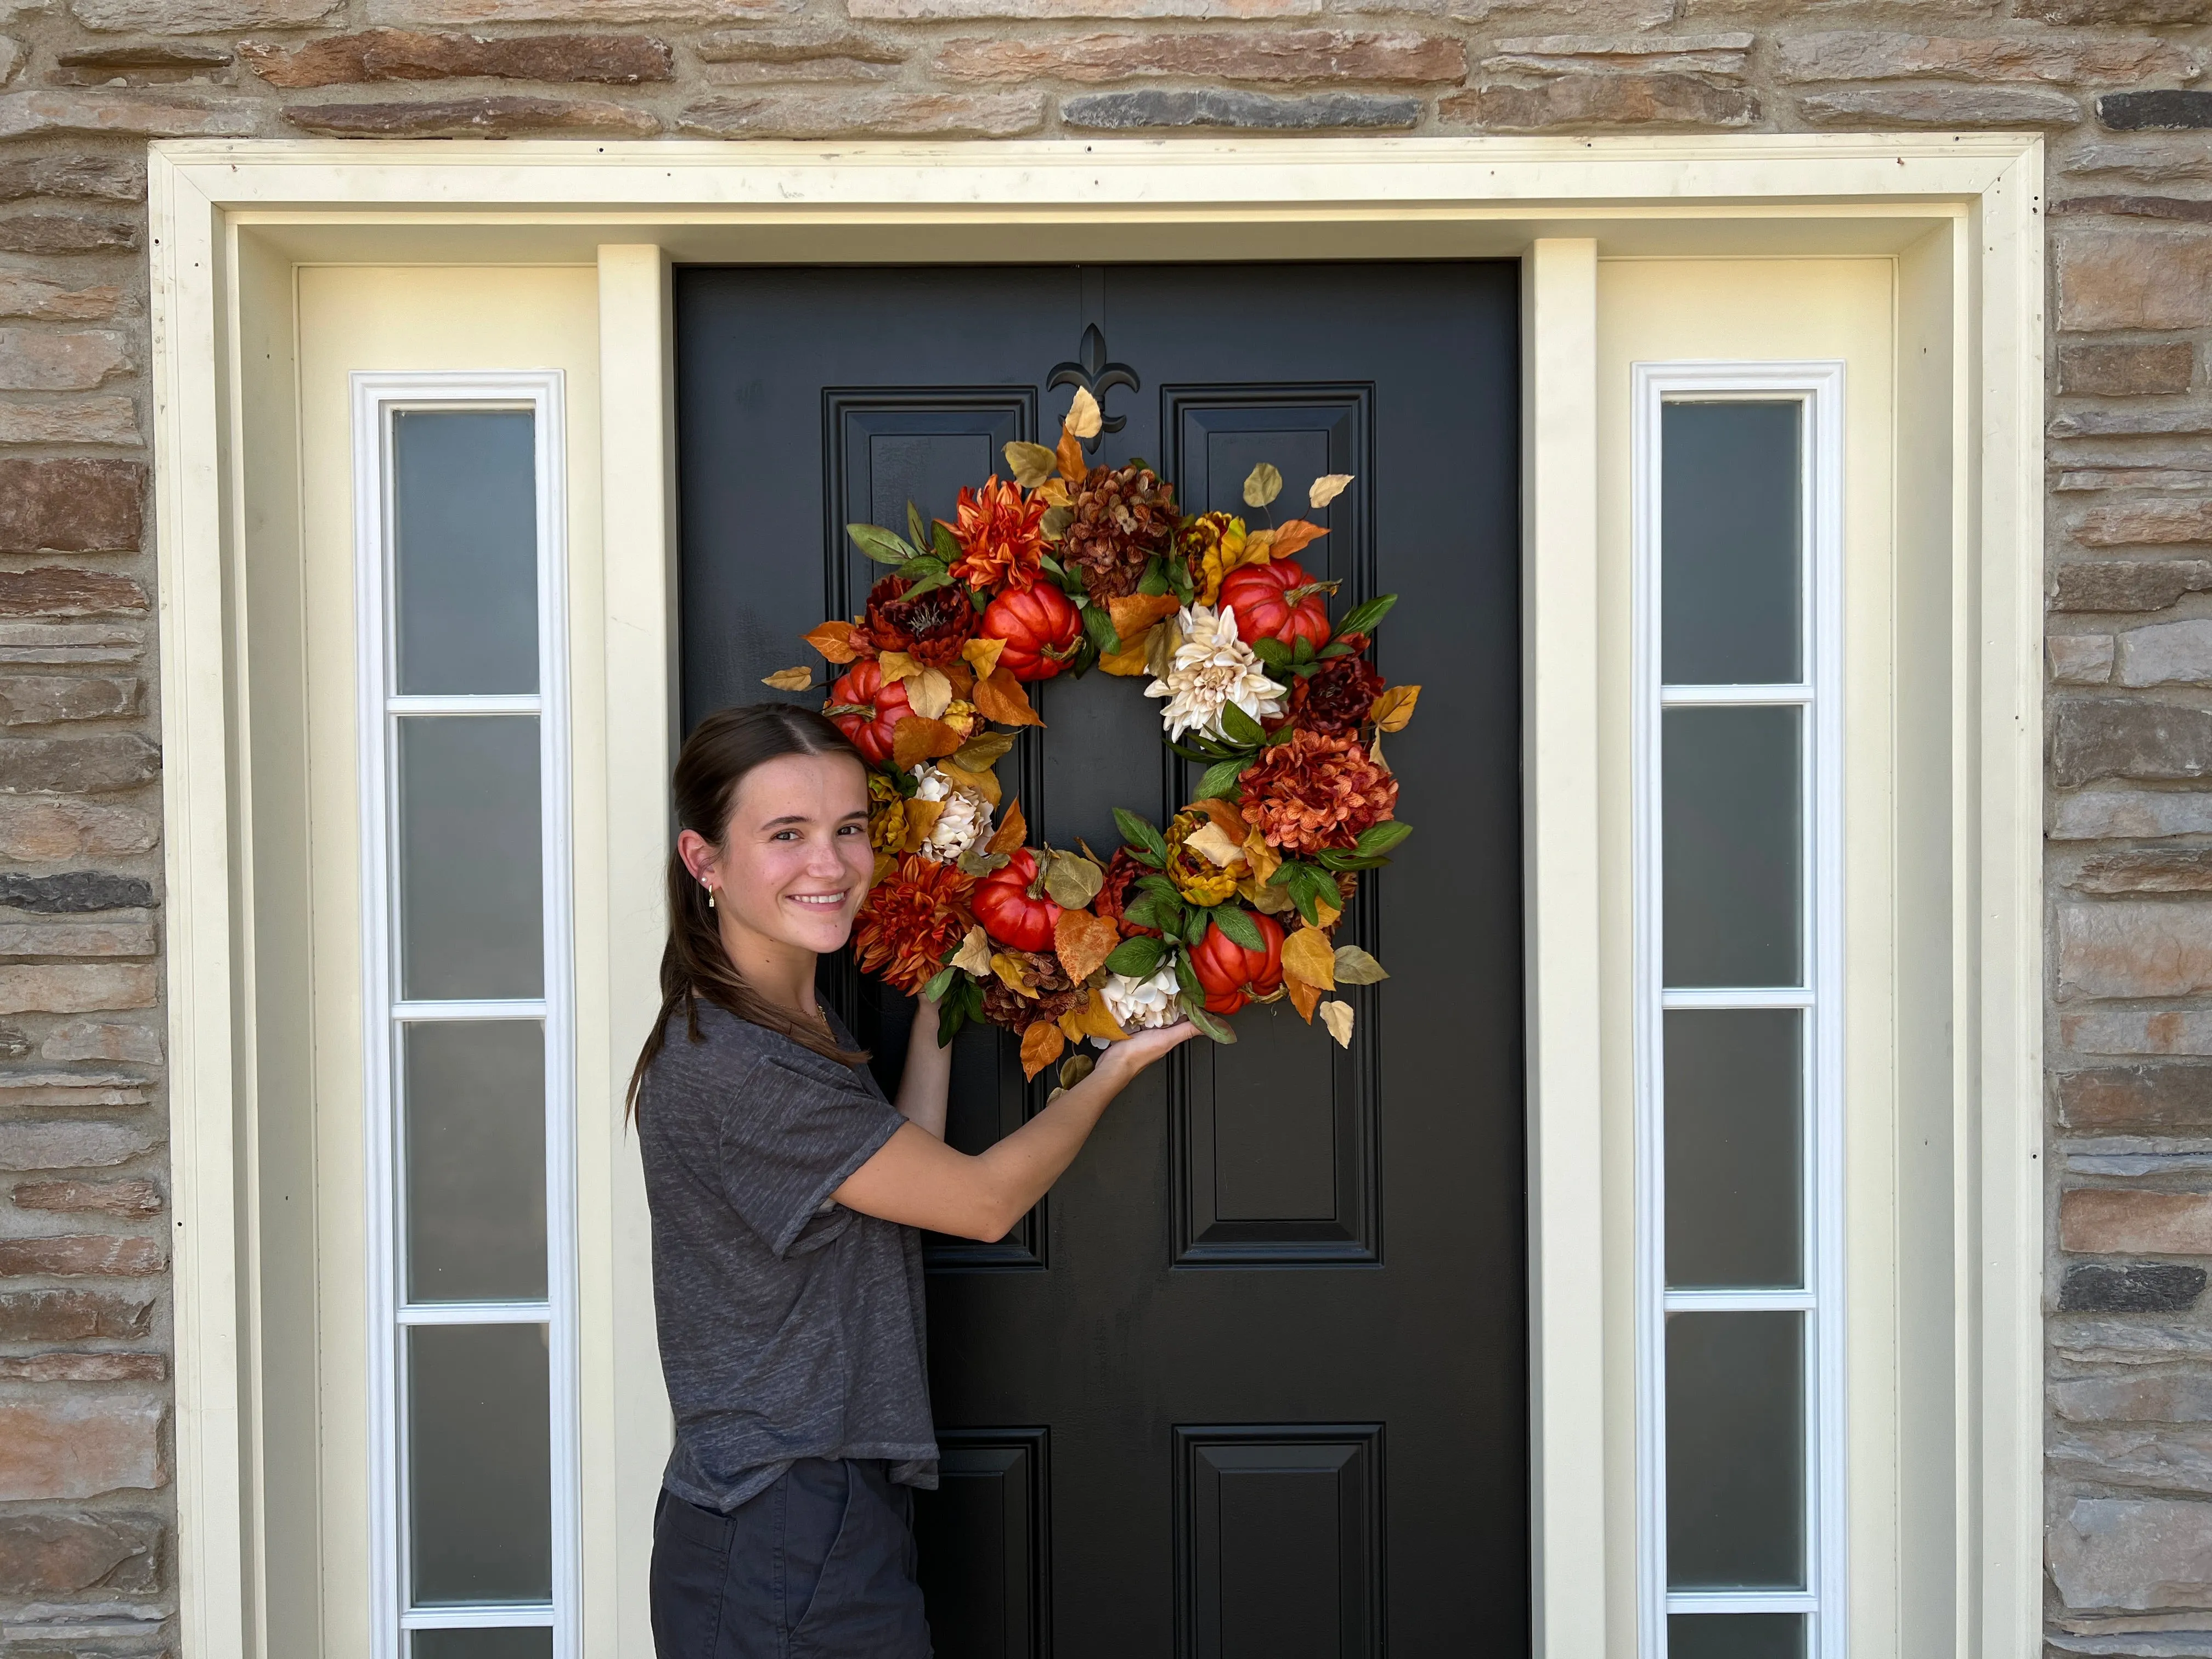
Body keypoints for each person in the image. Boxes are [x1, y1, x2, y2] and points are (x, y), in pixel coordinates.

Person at [628, 702, 1198, 1658]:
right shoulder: (738, 1066)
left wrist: (939, 1002)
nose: (831, 864)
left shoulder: (782, 1026)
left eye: (849, 829)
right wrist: (1113, 1073)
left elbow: (904, 1167)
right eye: (786, 835)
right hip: (784, 1522)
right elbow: (979, 1203)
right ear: (704, 861)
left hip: (805, 1509)